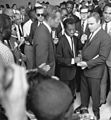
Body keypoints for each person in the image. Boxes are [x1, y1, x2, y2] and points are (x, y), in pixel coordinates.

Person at [77, 12, 111, 119]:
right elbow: (84, 47)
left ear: (98, 23)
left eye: (91, 24)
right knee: (84, 90)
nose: (89, 26)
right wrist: (82, 42)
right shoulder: (88, 31)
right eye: (88, 24)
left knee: (95, 94)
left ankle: (96, 113)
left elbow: (102, 57)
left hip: (94, 70)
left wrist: (87, 64)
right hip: (84, 68)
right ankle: (83, 107)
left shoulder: (105, 37)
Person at [33, 5, 61, 76]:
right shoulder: (42, 34)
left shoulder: (45, 30)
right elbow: (42, 65)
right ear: (50, 19)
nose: (59, 22)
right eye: (58, 19)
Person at [56, 18, 80, 97]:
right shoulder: (61, 41)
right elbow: (58, 59)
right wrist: (73, 60)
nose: (72, 31)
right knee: (65, 95)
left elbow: (77, 49)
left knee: (72, 93)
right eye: (70, 29)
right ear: (65, 29)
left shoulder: (75, 39)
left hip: (74, 72)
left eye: (74, 29)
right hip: (65, 73)